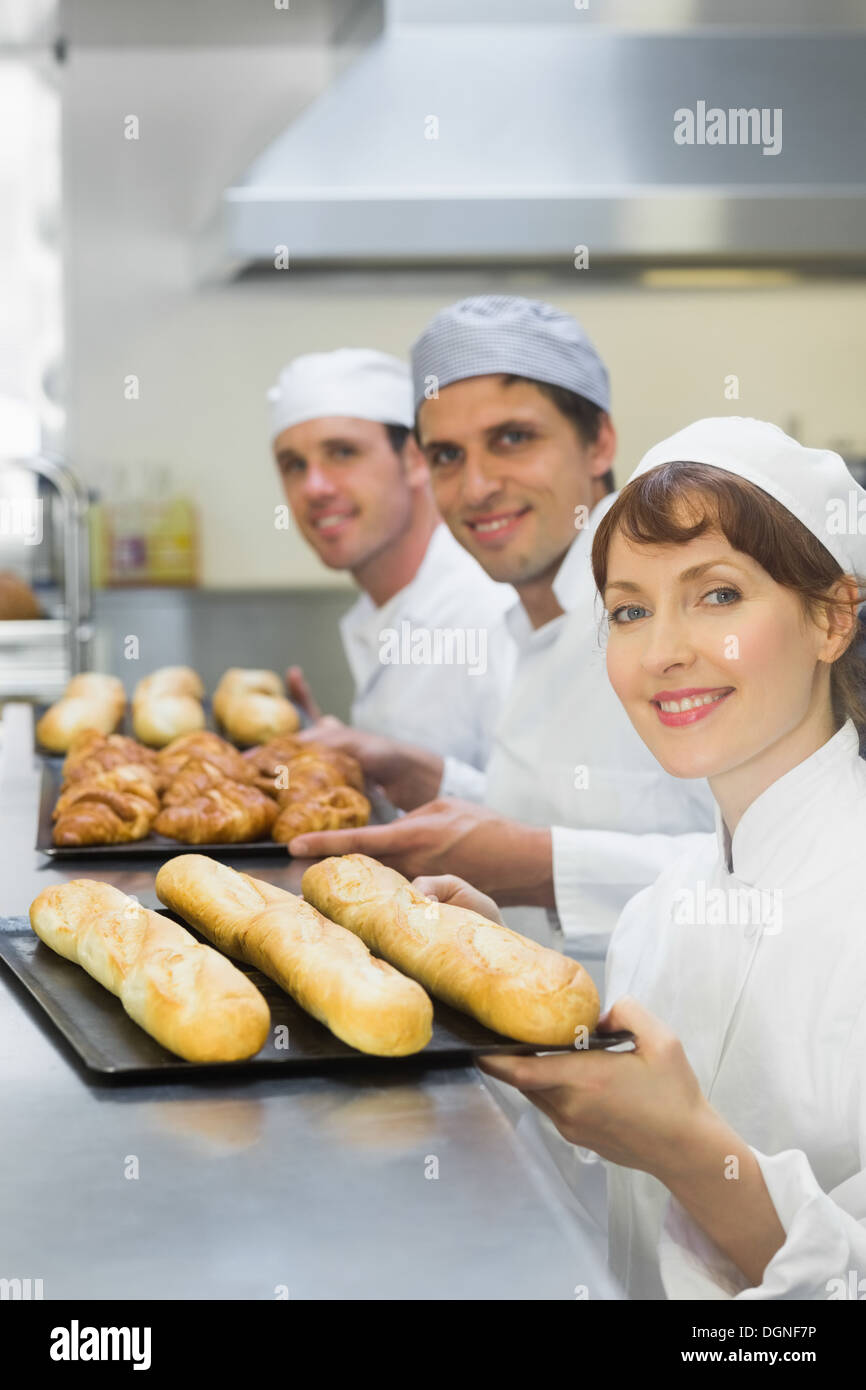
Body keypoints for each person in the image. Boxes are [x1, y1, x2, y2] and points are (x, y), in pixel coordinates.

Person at [435, 416, 866, 1299]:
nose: (663, 653)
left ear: (832, 617)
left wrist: (689, 1148)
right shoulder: (658, 916)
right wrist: (505, 1005)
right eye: (630, 610)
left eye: (716, 596)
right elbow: (617, 1228)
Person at [290, 299, 714, 955]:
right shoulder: (527, 622)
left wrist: (538, 866)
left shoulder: (685, 617)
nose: (478, 485)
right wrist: (431, 779)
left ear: (599, 440)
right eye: (448, 455)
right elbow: (575, 813)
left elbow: (781, 874)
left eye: (512, 439)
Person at [267, 348, 515, 777]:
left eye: (342, 452)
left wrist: (422, 777)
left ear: (416, 459)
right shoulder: (380, 611)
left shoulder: (493, 608)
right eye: (294, 465)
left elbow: (543, 820)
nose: (315, 487)